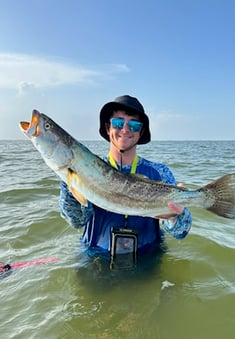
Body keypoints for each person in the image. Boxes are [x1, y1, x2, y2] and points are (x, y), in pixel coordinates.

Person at [59, 95, 192, 269]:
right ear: (108, 127)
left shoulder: (160, 173)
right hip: (95, 261)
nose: (126, 129)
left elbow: (181, 232)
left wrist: (175, 216)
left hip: (147, 262)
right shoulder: (86, 168)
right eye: (118, 123)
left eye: (134, 125)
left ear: (141, 132)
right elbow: (77, 220)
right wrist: (69, 181)